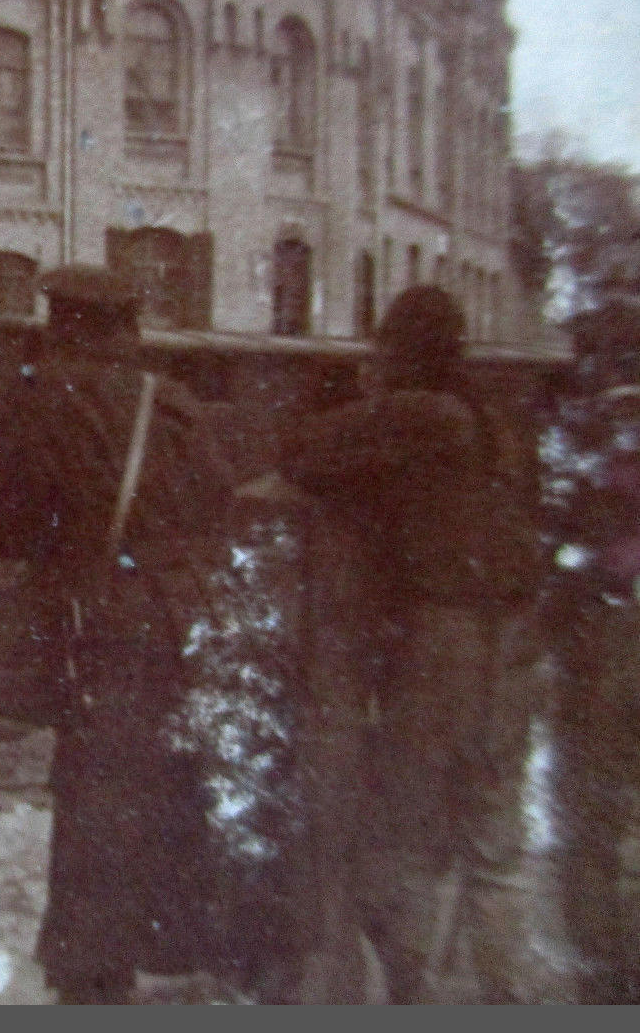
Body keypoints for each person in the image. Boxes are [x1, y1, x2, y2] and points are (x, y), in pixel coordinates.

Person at [281, 284, 540, 1002]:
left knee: (410, 826)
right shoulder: (491, 418)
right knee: (494, 834)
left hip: (448, 636)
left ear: (399, 349)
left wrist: (351, 400)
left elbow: (299, 453)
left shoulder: (421, 413)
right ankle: (506, 994)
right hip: (514, 636)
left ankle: (410, 992)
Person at [16, 264, 235, 1004]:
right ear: (125, 328)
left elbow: (18, 513)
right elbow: (218, 497)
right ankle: (167, 947)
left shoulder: (49, 397)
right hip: (181, 616)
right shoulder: (169, 400)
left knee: (95, 790)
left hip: (103, 615)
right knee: (171, 783)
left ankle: (91, 972)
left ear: (66, 324)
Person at [539, 299, 640, 1004]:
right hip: (609, 630)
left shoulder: (601, 454)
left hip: (611, 639)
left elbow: (582, 554)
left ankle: (604, 978)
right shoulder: (600, 451)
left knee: (590, 816)